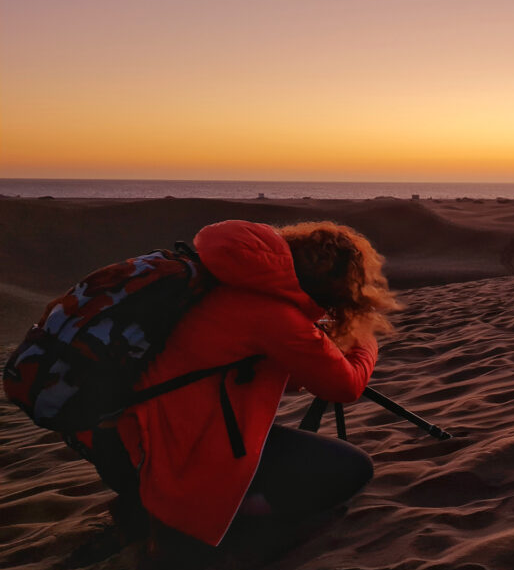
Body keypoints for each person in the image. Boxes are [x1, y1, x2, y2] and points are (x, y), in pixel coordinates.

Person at [95, 219, 400, 547]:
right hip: (167, 453)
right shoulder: (275, 316)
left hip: (120, 441)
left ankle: (165, 504)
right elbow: (345, 387)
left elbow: (292, 377)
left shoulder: (224, 286)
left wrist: (320, 332)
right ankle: (217, 520)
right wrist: (365, 339)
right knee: (351, 468)